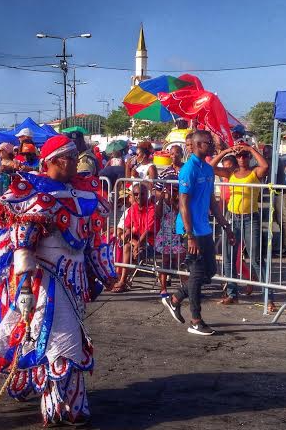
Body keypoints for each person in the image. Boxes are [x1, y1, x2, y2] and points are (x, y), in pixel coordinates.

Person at [0, 135, 116, 426]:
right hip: (46, 281)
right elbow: (23, 244)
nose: (76, 162)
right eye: (71, 157)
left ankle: (57, 400)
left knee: (55, 337)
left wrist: (100, 273)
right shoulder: (37, 195)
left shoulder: (83, 192)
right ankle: (61, 407)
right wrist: (24, 287)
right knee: (59, 339)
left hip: (73, 282)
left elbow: (91, 240)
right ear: (55, 161)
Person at [162, 130, 235, 335]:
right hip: (190, 231)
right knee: (196, 274)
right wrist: (190, 234)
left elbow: (212, 200)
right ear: (196, 145)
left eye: (211, 142)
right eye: (207, 143)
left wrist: (225, 226)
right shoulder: (188, 170)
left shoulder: (208, 169)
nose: (211, 145)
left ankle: (175, 299)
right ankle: (196, 320)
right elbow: (183, 204)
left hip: (204, 229)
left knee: (209, 272)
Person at [209, 142, 270, 306]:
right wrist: (226, 151)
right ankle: (232, 294)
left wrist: (250, 148)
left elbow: (265, 165)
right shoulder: (231, 172)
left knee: (256, 258)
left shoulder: (255, 172)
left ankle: (267, 297)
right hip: (232, 218)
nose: (242, 158)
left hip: (251, 218)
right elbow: (211, 166)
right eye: (239, 155)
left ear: (249, 157)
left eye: (245, 156)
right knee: (228, 257)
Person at [111, 184, 156, 292]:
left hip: (151, 243)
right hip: (136, 241)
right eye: (136, 194)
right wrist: (128, 233)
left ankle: (122, 281)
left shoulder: (152, 209)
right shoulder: (133, 208)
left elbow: (148, 232)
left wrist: (136, 243)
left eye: (142, 194)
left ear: (147, 194)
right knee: (125, 244)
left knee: (126, 246)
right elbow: (126, 226)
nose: (139, 197)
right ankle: (122, 280)